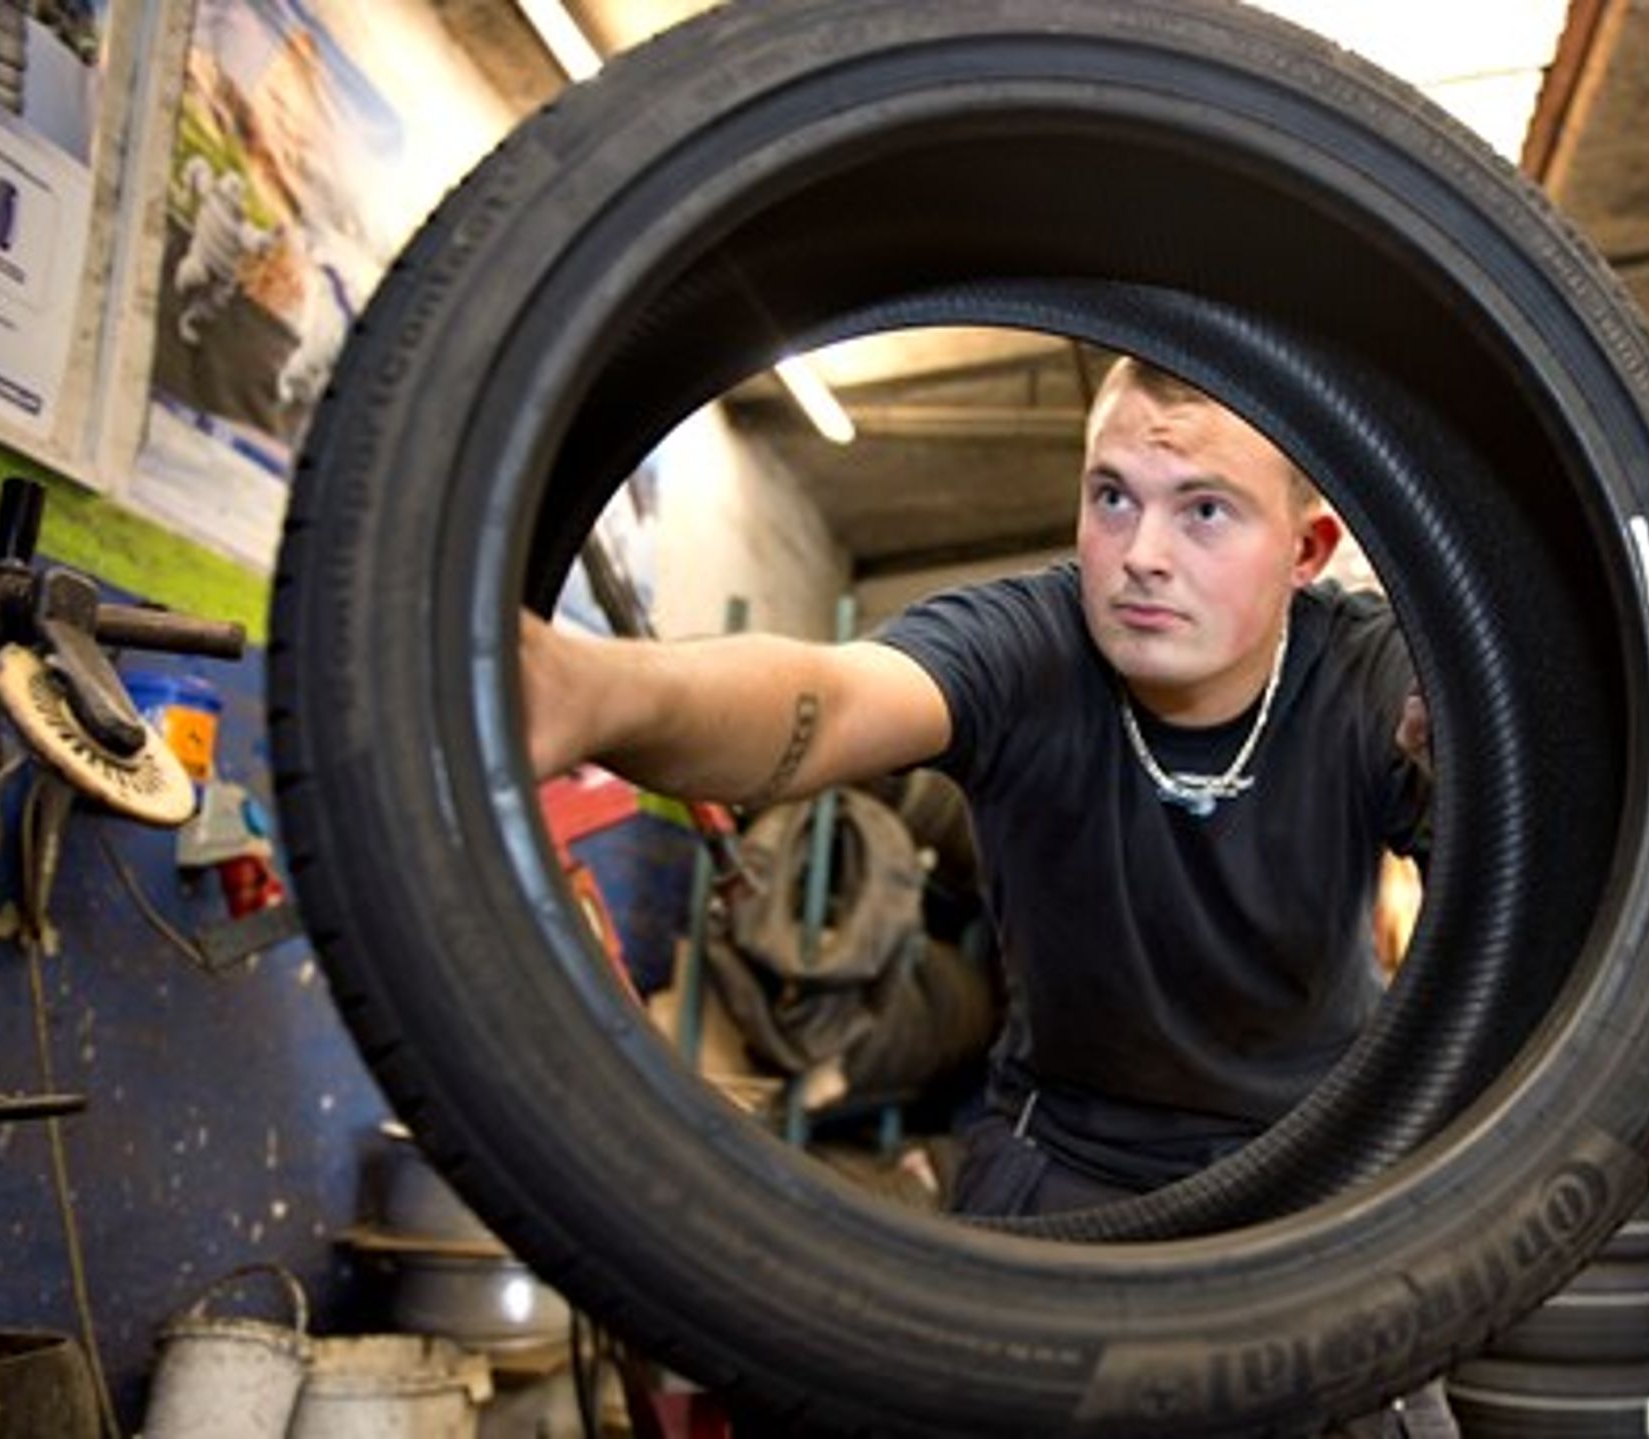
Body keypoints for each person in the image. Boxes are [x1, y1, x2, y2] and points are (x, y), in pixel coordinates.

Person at [527, 355, 1448, 1432]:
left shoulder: (1371, 674)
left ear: (1307, 549)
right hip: (1067, 1171)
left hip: (1313, 1180)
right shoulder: (1032, 643)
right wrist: (595, 689)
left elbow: (1520, 859)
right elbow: (832, 697)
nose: (1141, 556)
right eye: (1113, 497)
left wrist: (1486, 760)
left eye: (1204, 511)